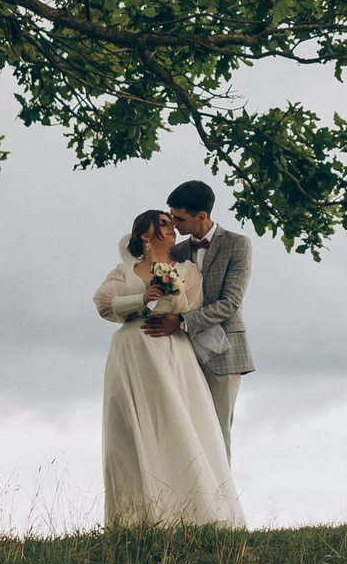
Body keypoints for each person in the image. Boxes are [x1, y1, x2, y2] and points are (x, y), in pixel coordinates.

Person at [93, 207, 245, 528]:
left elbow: (190, 306)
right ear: (144, 234)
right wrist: (139, 300)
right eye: (162, 224)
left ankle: (186, 511)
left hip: (170, 350)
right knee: (131, 430)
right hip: (131, 353)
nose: (171, 228)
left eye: (172, 223)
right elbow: (104, 305)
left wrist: (170, 295)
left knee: (175, 422)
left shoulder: (187, 270)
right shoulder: (123, 271)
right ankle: (135, 518)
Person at [145, 179, 253, 458]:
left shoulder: (238, 245)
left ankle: (221, 501)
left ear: (201, 216)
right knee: (185, 431)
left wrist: (181, 321)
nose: (174, 224)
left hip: (225, 352)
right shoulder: (177, 252)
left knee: (216, 433)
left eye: (179, 219)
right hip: (184, 351)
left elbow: (230, 304)